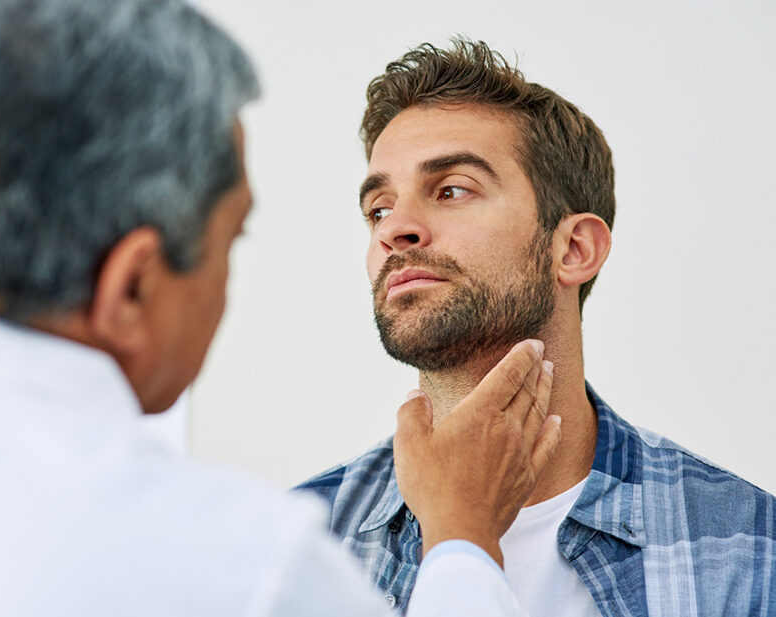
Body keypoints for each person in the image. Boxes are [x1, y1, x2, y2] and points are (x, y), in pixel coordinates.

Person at [0, 2, 563, 616]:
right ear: (130, 288)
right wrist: (464, 541)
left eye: (451, 189)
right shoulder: (244, 565)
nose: (392, 230)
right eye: (233, 236)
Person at [295, 37, 776, 616]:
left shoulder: (750, 552)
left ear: (573, 248)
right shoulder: (293, 554)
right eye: (378, 208)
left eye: (451, 190)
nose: (394, 229)